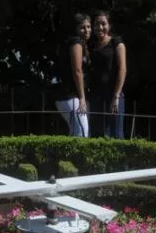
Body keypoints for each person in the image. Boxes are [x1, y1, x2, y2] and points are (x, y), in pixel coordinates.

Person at [87, 10, 127, 138]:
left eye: (103, 24)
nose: (100, 27)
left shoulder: (117, 43)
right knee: (96, 133)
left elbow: (122, 70)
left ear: (109, 25)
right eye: (97, 24)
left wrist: (116, 96)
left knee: (116, 133)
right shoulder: (91, 45)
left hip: (113, 95)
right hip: (95, 96)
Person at [54, 13, 92, 137]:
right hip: (71, 96)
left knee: (75, 132)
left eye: (88, 27)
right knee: (82, 133)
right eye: (82, 27)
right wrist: (82, 97)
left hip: (70, 96)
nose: (86, 30)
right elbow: (77, 71)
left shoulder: (79, 43)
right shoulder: (76, 42)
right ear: (76, 29)